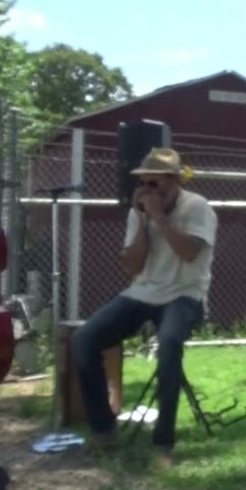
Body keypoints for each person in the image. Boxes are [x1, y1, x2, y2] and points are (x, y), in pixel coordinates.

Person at [70, 147, 218, 469]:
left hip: (184, 295)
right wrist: (141, 220)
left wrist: (160, 218)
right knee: (84, 339)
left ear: (175, 181)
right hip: (143, 292)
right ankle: (104, 431)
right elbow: (134, 267)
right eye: (143, 183)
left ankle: (163, 443)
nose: (148, 190)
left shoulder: (197, 207)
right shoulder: (138, 212)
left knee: (169, 345)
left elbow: (189, 253)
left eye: (155, 184)